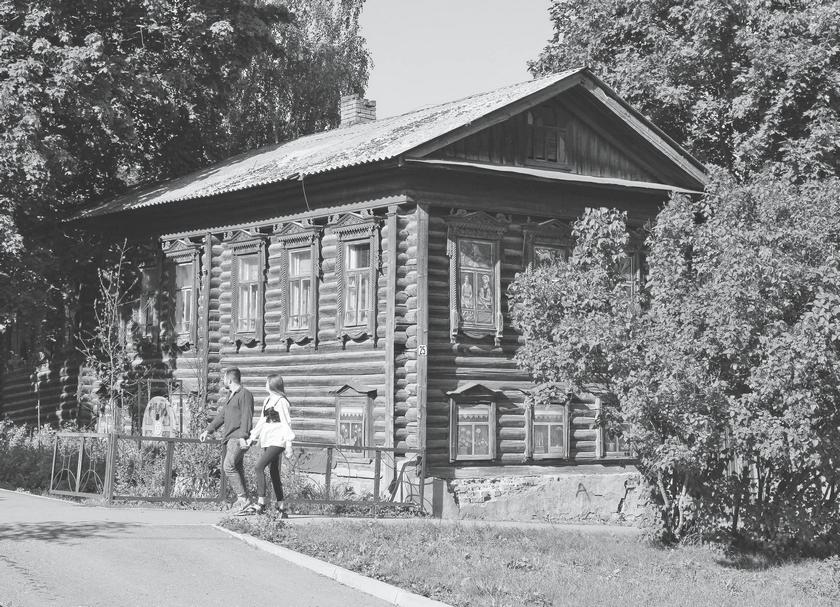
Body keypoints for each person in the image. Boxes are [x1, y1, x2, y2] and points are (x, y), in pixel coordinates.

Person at [200, 367, 255, 514]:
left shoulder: (244, 394)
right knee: (237, 468)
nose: (223, 380)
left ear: (229, 380)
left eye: (224, 378)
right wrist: (208, 430)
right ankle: (246, 502)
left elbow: (247, 416)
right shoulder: (231, 395)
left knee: (228, 466)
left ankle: (243, 499)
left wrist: (243, 436)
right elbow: (222, 416)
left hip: (238, 438)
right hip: (230, 438)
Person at [241, 374, 295, 517]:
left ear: (272, 384)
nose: (265, 384)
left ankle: (261, 502)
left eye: (267, 382)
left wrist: (289, 444)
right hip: (268, 439)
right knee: (274, 472)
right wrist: (251, 437)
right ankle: (281, 507)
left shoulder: (282, 402)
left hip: (278, 440)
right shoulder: (267, 400)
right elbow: (262, 421)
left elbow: (286, 423)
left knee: (259, 466)